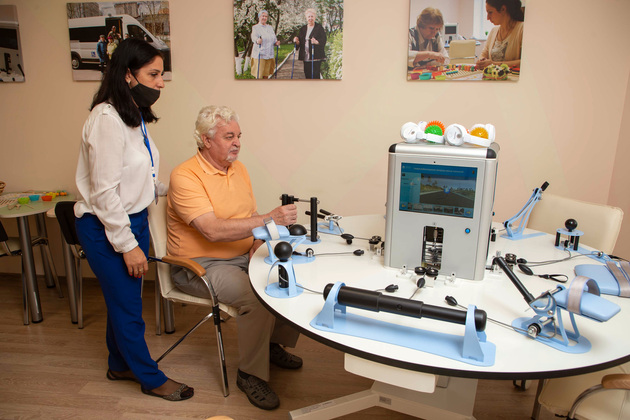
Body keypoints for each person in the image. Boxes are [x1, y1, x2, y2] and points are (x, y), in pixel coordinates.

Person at [74, 39, 194, 402]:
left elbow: (138, 175)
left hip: (134, 220)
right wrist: (127, 246)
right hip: (107, 227)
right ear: (128, 75)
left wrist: (174, 189)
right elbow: (104, 194)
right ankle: (150, 377)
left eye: (162, 75)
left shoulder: (133, 115)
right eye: (153, 74)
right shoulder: (106, 120)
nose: (160, 83)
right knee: (129, 308)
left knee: (122, 301)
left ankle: (119, 364)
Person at [167, 105, 302, 410]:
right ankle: (249, 374)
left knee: (289, 275)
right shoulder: (185, 176)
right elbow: (212, 230)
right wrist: (270, 219)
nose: (237, 143)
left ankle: (269, 346)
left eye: (239, 135)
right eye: (229, 136)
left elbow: (249, 217)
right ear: (206, 140)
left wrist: (257, 241)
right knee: (256, 297)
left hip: (241, 255)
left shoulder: (238, 169)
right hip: (199, 266)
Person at [476, 0, 524, 70]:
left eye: (490, 12)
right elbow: (484, 54)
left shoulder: (522, 29)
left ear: (503, 9)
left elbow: (525, 62)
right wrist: (481, 61)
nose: (487, 18)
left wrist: (494, 64)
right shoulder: (493, 31)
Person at [293, 8, 327, 79]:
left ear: (315, 17)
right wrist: (296, 41)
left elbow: (324, 39)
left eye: (312, 16)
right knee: (307, 74)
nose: (310, 18)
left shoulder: (319, 27)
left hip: (316, 56)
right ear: (306, 18)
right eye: (309, 17)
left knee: (315, 75)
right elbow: (300, 40)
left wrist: (317, 42)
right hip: (306, 56)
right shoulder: (303, 28)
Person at [250, 10, 280, 79]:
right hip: (260, 54)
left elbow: (274, 39)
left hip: (269, 54)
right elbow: (253, 37)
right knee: (259, 75)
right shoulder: (255, 27)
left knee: (266, 74)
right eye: (262, 16)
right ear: (259, 17)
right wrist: (257, 40)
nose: (264, 18)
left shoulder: (270, 27)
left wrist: (276, 43)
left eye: (266, 16)